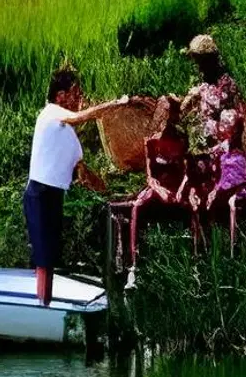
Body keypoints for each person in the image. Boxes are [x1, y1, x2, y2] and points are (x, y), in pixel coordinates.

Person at [26, 67, 126, 306]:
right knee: (43, 256)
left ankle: (45, 303)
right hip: (39, 193)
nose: (79, 98)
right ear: (60, 95)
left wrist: (109, 192)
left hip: (54, 195)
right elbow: (80, 117)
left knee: (50, 253)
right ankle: (42, 307)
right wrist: (112, 106)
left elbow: (83, 171)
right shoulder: (51, 112)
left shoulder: (69, 137)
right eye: (75, 93)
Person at [124, 96, 188, 291]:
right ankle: (134, 266)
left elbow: (186, 172)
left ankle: (195, 262)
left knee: (194, 207)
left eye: (172, 114)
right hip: (159, 187)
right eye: (165, 114)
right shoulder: (151, 142)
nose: (168, 119)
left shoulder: (182, 140)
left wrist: (180, 190)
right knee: (138, 206)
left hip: (177, 187)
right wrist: (159, 190)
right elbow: (150, 176)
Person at [180, 34, 244, 149]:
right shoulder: (206, 78)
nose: (197, 65)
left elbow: (219, 107)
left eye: (199, 60)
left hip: (223, 134)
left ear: (208, 59)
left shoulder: (225, 82)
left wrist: (199, 94)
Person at [207, 108, 246, 254]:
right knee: (210, 202)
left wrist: (220, 188)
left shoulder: (239, 147)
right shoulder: (223, 147)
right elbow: (218, 169)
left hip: (238, 186)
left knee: (232, 203)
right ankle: (212, 243)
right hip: (225, 185)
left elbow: (238, 174)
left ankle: (234, 245)